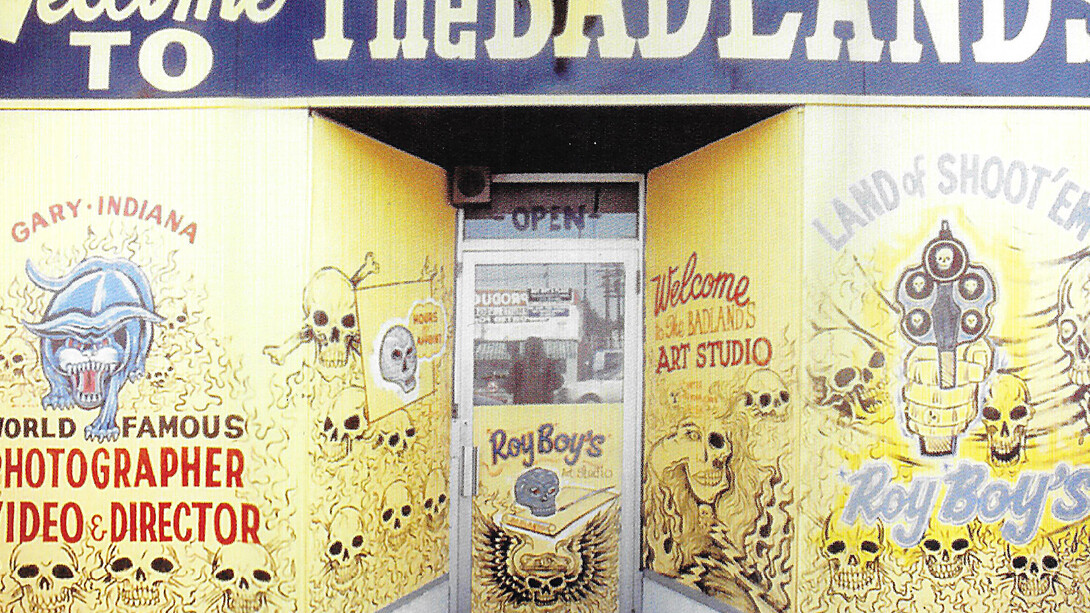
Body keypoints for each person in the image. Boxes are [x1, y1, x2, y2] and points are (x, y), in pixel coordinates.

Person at [508, 336, 562, 404]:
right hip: (541, 405)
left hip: (526, 406)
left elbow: (509, 386)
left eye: (534, 347)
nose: (533, 350)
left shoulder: (518, 365)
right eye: (531, 347)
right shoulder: (549, 364)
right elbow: (558, 382)